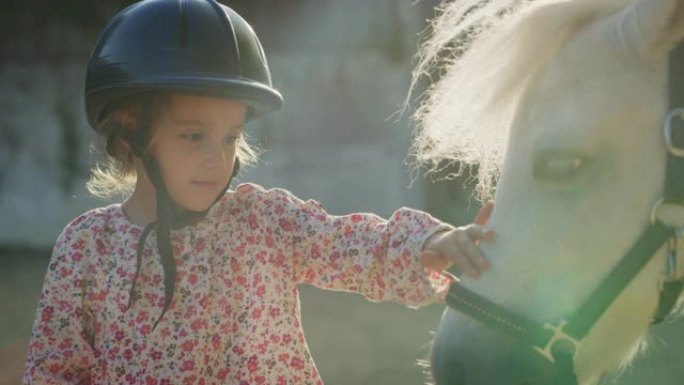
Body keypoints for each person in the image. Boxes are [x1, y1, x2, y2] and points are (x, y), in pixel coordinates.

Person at [23, 1, 495, 384]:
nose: (218, 157)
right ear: (128, 136)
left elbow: (349, 244)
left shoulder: (263, 220)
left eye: (230, 137)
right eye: (193, 136)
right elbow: (55, 370)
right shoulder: (86, 247)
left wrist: (428, 245)